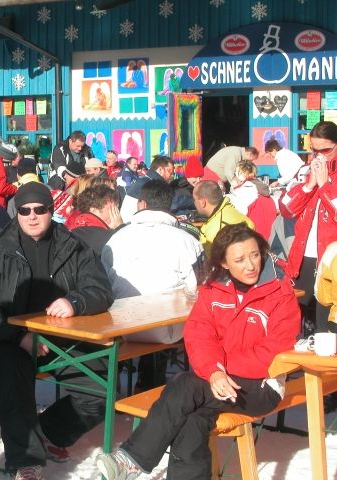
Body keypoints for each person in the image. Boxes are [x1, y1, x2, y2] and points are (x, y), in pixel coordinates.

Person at [96, 223, 300, 480]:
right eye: (239, 259)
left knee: (185, 384)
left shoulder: (280, 293)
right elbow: (199, 333)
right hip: (213, 381)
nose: (250, 265)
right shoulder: (214, 290)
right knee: (192, 421)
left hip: (261, 386)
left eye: (255, 255)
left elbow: (274, 351)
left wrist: (218, 368)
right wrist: (214, 370)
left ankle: (133, 459)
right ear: (224, 264)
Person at [0, 182, 113, 480]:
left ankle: (46, 431)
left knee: (100, 392)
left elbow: (100, 289)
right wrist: (19, 336)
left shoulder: (73, 246)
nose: (32, 216)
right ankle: (26, 463)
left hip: (61, 339)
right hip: (9, 339)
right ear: (16, 213)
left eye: (40, 209)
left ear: (51, 210)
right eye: (25, 210)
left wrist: (75, 301)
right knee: (10, 379)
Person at [102, 180, 204, 391]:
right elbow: (196, 287)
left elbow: (105, 282)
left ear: (141, 204)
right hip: (168, 330)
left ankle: (121, 385)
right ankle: (154, 387)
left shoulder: (116, 239)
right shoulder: (187, 240)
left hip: (121, 327)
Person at [279, 121, 337, 333]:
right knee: (296, 320)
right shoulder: (305, 170)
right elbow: (286, 209)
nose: (319, 156)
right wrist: (309, 185)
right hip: (302, 258)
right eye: (314, 150)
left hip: (331, 261)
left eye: (326, 150)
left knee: (326, 322)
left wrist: (325, 186)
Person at [194, 180, 254, 257]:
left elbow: (213, 262)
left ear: (203, 203)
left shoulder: (215, 228)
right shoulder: (230, 209)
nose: (194, 203)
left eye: (194, 199)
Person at [227, 160, 277, 240]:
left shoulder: (245, 191)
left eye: (236, 172)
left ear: (240, 174)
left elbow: (235, 218)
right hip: (271, 239)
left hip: (253, 238)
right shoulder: (264, 190)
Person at [66, 184, 123, 255]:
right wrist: (120, 229)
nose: (117, 211)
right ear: (94, 211)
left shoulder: (75, 228)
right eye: (113, 208)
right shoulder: (105, 238)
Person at [120, 155, 174, 223]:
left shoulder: (146, 180)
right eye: (169, 171)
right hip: (133, 224)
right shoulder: (151, 185)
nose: (171, 176)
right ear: (160, 170)